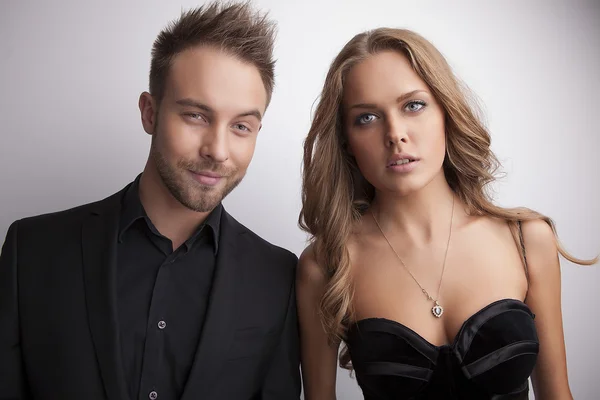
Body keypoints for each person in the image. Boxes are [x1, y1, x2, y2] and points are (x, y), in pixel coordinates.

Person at [0, 2, 300, 399]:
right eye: (196, 115)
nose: (218, 150)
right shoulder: (33, 250)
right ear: (149, 113)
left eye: (241, 126)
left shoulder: (278, 277)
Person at [297, 28, 597, 400]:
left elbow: (557, 395)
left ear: (446, 112)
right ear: (346, 140)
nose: (395, 134)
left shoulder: (526, 240)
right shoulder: (326, 266)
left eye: (413, 105)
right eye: (367, 118)